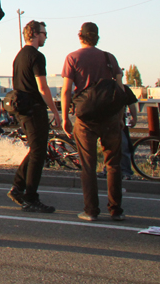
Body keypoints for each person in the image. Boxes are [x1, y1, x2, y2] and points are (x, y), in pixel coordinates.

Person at [61, 22, 125, 222]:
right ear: (97, 37)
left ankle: (91, 211)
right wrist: (120, 116)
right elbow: (120, 90)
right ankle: (115, 210)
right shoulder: (109, 58)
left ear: (80, 36)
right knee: (113, 163)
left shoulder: (73, 58)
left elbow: (66, 91)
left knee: (88, 165)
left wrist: (65, 118)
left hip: (85, 118)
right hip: (110, 116)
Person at [7, 20, 61, 213]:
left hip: (21, 110)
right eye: (44, 33)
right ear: (36, 34)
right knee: (39, 154)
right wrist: (56, 112)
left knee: (36, 150)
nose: (46, 37)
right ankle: (30, 197)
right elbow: (43, 87)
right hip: (34, 109)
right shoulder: (37, 56)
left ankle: (18, 187)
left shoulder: (19, 56)